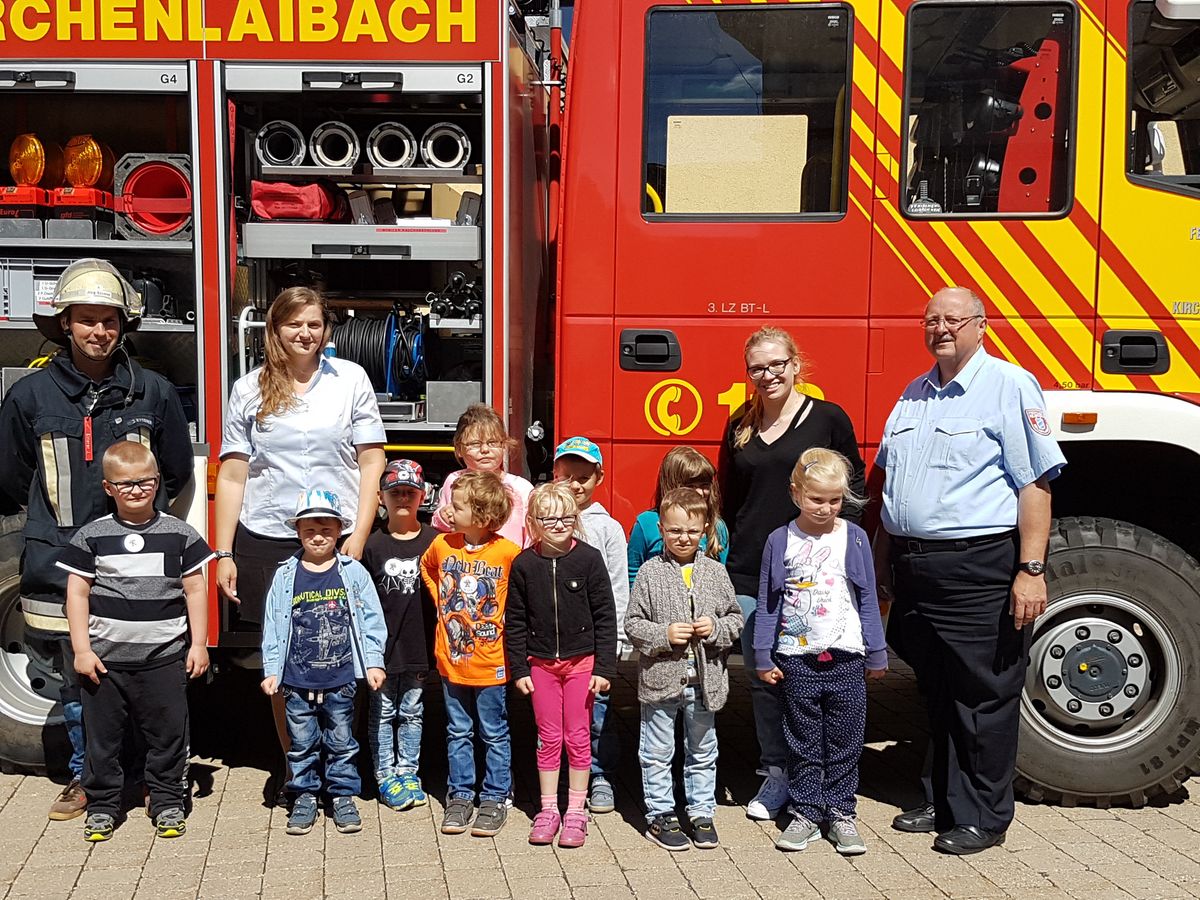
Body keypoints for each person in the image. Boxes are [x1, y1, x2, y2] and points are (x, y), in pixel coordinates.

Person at [0, 258, 193, 820]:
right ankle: (90, 779)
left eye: (109, 320)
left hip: (136, 569)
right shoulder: (31, 396)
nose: (98, 332)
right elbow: (10, 478)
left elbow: (173, 471)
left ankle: (151, 780)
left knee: (147, 685)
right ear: (64, 322)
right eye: (86, 319)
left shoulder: (151, 393)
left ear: (124, 324)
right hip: (56, 565)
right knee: (81, 683)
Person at [875, 286, 1065, 855]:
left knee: (984, 695)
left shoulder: (1008, 385)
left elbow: (1035, 484)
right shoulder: (913, 394)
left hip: (977, 566)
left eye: (953, 320)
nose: (940, 329)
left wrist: (1031, 569)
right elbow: (890, 490)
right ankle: (942, 800)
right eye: (931, 320)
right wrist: (883, 566)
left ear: (981, 325)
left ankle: (984, 815)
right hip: (916, 567)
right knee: (936, 692)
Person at [214, 286, 385, 766]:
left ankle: (342, 766)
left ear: (326, 329)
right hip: (269, 536)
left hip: (339, 536)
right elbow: (233, 473)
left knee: (343, 650)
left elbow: (372, 464)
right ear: (275, 329)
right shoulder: (248, 389)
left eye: (314, 324)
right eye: (294, 324)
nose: (304, 333)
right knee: (285, 656)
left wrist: (358, 535)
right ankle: (298, 767)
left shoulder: (351, 380)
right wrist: (223, 552)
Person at [720, 325, 866, 822]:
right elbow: (731, 498)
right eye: (757, 368)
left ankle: (823, 781)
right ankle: (777, 775)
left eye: (776, 364)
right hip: (748, 573)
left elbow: (854, 486)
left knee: (815, 681)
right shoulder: (740, 423)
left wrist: (840, 552)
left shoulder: (828, 418)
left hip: (811, 577)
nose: (768, 375)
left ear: (795, 364)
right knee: (765, 679)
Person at [58, 442, 211, 843]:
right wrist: (81, 650)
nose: (135, 490)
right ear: (109, 488)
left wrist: (199, 645)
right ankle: (104, 805)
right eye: (125, 484)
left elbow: (195, 590)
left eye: (144, 482)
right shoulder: (92, 537)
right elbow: (76, 594)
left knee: (168, 736)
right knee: (103, 740)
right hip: (105, 662)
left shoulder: (180, 534)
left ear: (157, 482)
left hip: (164, 659)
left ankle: (166, 801)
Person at [753, 448, 886, 855]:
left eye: (835, 500)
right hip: (797, 658)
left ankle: (842, 813)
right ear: (796, 493)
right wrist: (763, 655)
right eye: (817, 499)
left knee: (846, 740)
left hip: (846, 656)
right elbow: (768, 601)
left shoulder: (854, 537)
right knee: (804, 740)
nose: (826, 508)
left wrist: (876, 651)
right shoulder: (780, 541)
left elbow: (867, 597)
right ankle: (807, 812)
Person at [260, 489, 387, 836]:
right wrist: (272, 671)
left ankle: (343, 795)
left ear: (339, 532)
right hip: (297, 680)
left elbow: (372, 619)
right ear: (298, 531)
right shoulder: (286, 576)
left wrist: (374, 663)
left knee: (342, 740)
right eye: (311, 530)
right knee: (301, 743)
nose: (319, 537)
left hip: (342, 677)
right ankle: (304, 795)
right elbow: (274, 626)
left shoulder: (353, 573)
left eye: (327, 530)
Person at [625, 488, 744, 852]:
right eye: (675, 530)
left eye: (692, 531)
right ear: (661, 528)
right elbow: (632, 623)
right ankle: (661, 815)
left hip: (704, 684)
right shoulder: (649, 572)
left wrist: (717, 628)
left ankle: (701, 811)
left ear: (706, 528)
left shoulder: (716, 572)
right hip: (662, 681)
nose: (683, 538)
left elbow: (736, 618)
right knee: (657, 751)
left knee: (703, 750)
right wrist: (663, 634)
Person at [508, 482, 617, 848]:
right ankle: (548, 809)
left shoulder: (588, 559)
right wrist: (520, 670)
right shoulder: (524, 564)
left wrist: (605, 668)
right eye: (549, 518)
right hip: (541, 665)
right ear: (534, 522)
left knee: (578, 736)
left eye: (567, 517)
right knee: (549, 737)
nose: (559, 524)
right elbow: (516, 621)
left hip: (581, 663)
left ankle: (575, 810)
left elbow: (606, 616)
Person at [421, 470, 523, 837]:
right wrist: (442, 604)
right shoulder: (442, 545)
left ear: (480, 516)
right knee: (458, 731)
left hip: (492, 663)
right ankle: (461, 794)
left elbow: (520, 596)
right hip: (451, 660)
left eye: (458, 505)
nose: (449, 509)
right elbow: (427, 569)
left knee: (494, 731)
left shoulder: (509, 553)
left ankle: (495, 796)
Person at [551, 436, 629, 814]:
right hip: (553, 644)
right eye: (568, 476)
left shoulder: (608, 528)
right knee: (557, 717)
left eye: (584, 476)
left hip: (594, 643)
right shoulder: (546, 522)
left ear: (599, 476)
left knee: (596, 714)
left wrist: (613, 645)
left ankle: (599, 775)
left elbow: (617, 587)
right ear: (555, 475)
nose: (576, 485)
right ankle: (560, 775)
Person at [362, 460, 437, 812]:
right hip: (382, 649)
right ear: (381, 498)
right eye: (395, 493)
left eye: (410, 492)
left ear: (423, 496)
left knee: (413, 711)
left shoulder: (436, 542)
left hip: (420, 644)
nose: (403, 498)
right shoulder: (372, 544)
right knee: (382, 711)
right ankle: (385, 775)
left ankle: (409, 771)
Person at [432, 403, 534, 547]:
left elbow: (531, 537)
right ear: (459, 449)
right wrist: (443, 517)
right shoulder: (454, 481)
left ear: (504, 445)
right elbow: (440, 529)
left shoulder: (521, 488)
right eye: (474, 444)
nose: (485, 449)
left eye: (492, 442)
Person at [627, 446, 729, 586]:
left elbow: (722, 580)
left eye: (704, 485)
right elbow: (632, 575)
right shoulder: (646, 524)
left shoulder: (717, 526)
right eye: (691, 486)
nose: (699, 492)